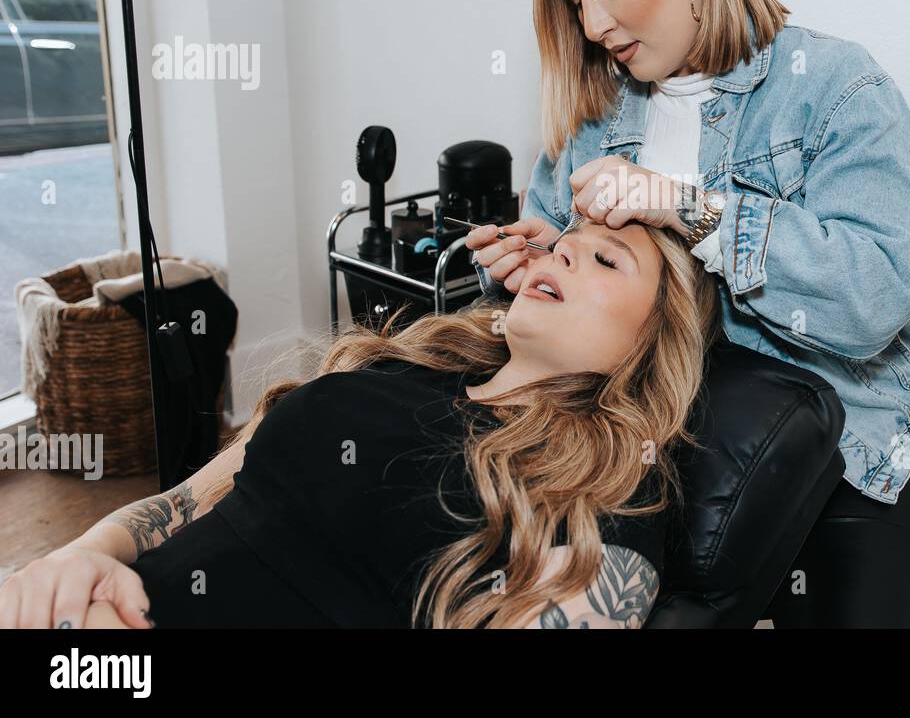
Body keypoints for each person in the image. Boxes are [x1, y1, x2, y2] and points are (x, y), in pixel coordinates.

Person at [469, 0, 910, 626]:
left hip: (846, 466)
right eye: (574, 0)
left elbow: (873, 298)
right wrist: (529, 268)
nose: (593, 25)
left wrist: (688, 209)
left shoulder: (834, 89)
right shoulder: (592, 122)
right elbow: (573, 317)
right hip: (659, 463)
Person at [0, 219, 721, 629]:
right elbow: (187, 501)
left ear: (652, 341)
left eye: (604, 259)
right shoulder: (404, 365)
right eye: (567, 235)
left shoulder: (609, 491)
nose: (563, 247)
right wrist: (77, 559)